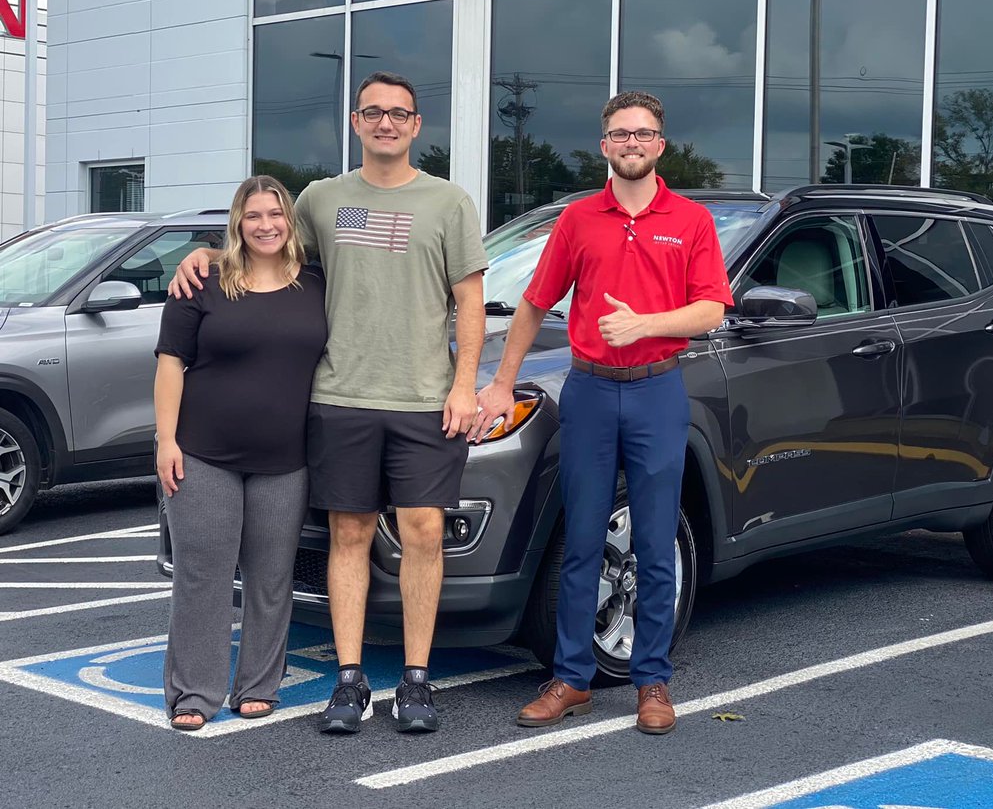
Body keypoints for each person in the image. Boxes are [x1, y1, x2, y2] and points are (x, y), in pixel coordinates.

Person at [169, 72, 488, 735]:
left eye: (399, 114)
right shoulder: (321, 198)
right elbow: (268, 248)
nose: (386, 124)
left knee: (424, 533)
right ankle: (349, 683)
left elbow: (470, 300)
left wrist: (465, 385)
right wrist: (204, 250)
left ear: (417, 126)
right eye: (374, 112)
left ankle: (416, 681)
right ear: (356, 121)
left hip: (424, 398)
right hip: (339, 396)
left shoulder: (449, 202)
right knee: (350, 533)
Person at [471, 91, 732, 735]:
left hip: (657, 391)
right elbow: (533, 303)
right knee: (582, 536)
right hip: (588, 391)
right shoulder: (580, 219)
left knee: (653, 536)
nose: (632, 143)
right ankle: (571, 678)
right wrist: (502, 383)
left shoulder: (691, 220)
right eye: (620, 134)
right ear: (604, 146)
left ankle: (653, 682)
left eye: (643, 133)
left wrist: (645, 323)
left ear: (660, 144)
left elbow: (711, 310)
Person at [154, 175, 327, 732]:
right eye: (253, 215)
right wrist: (165, 440)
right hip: (202, 454)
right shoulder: (202, 282)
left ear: (290, 221)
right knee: (202, 576)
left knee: (272, 577)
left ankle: (258, 684)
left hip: (286, 458)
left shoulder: (318, 285)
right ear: (237, 223)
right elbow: (169, 363)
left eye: (275, 214)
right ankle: (194, 693)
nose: (266, 225)